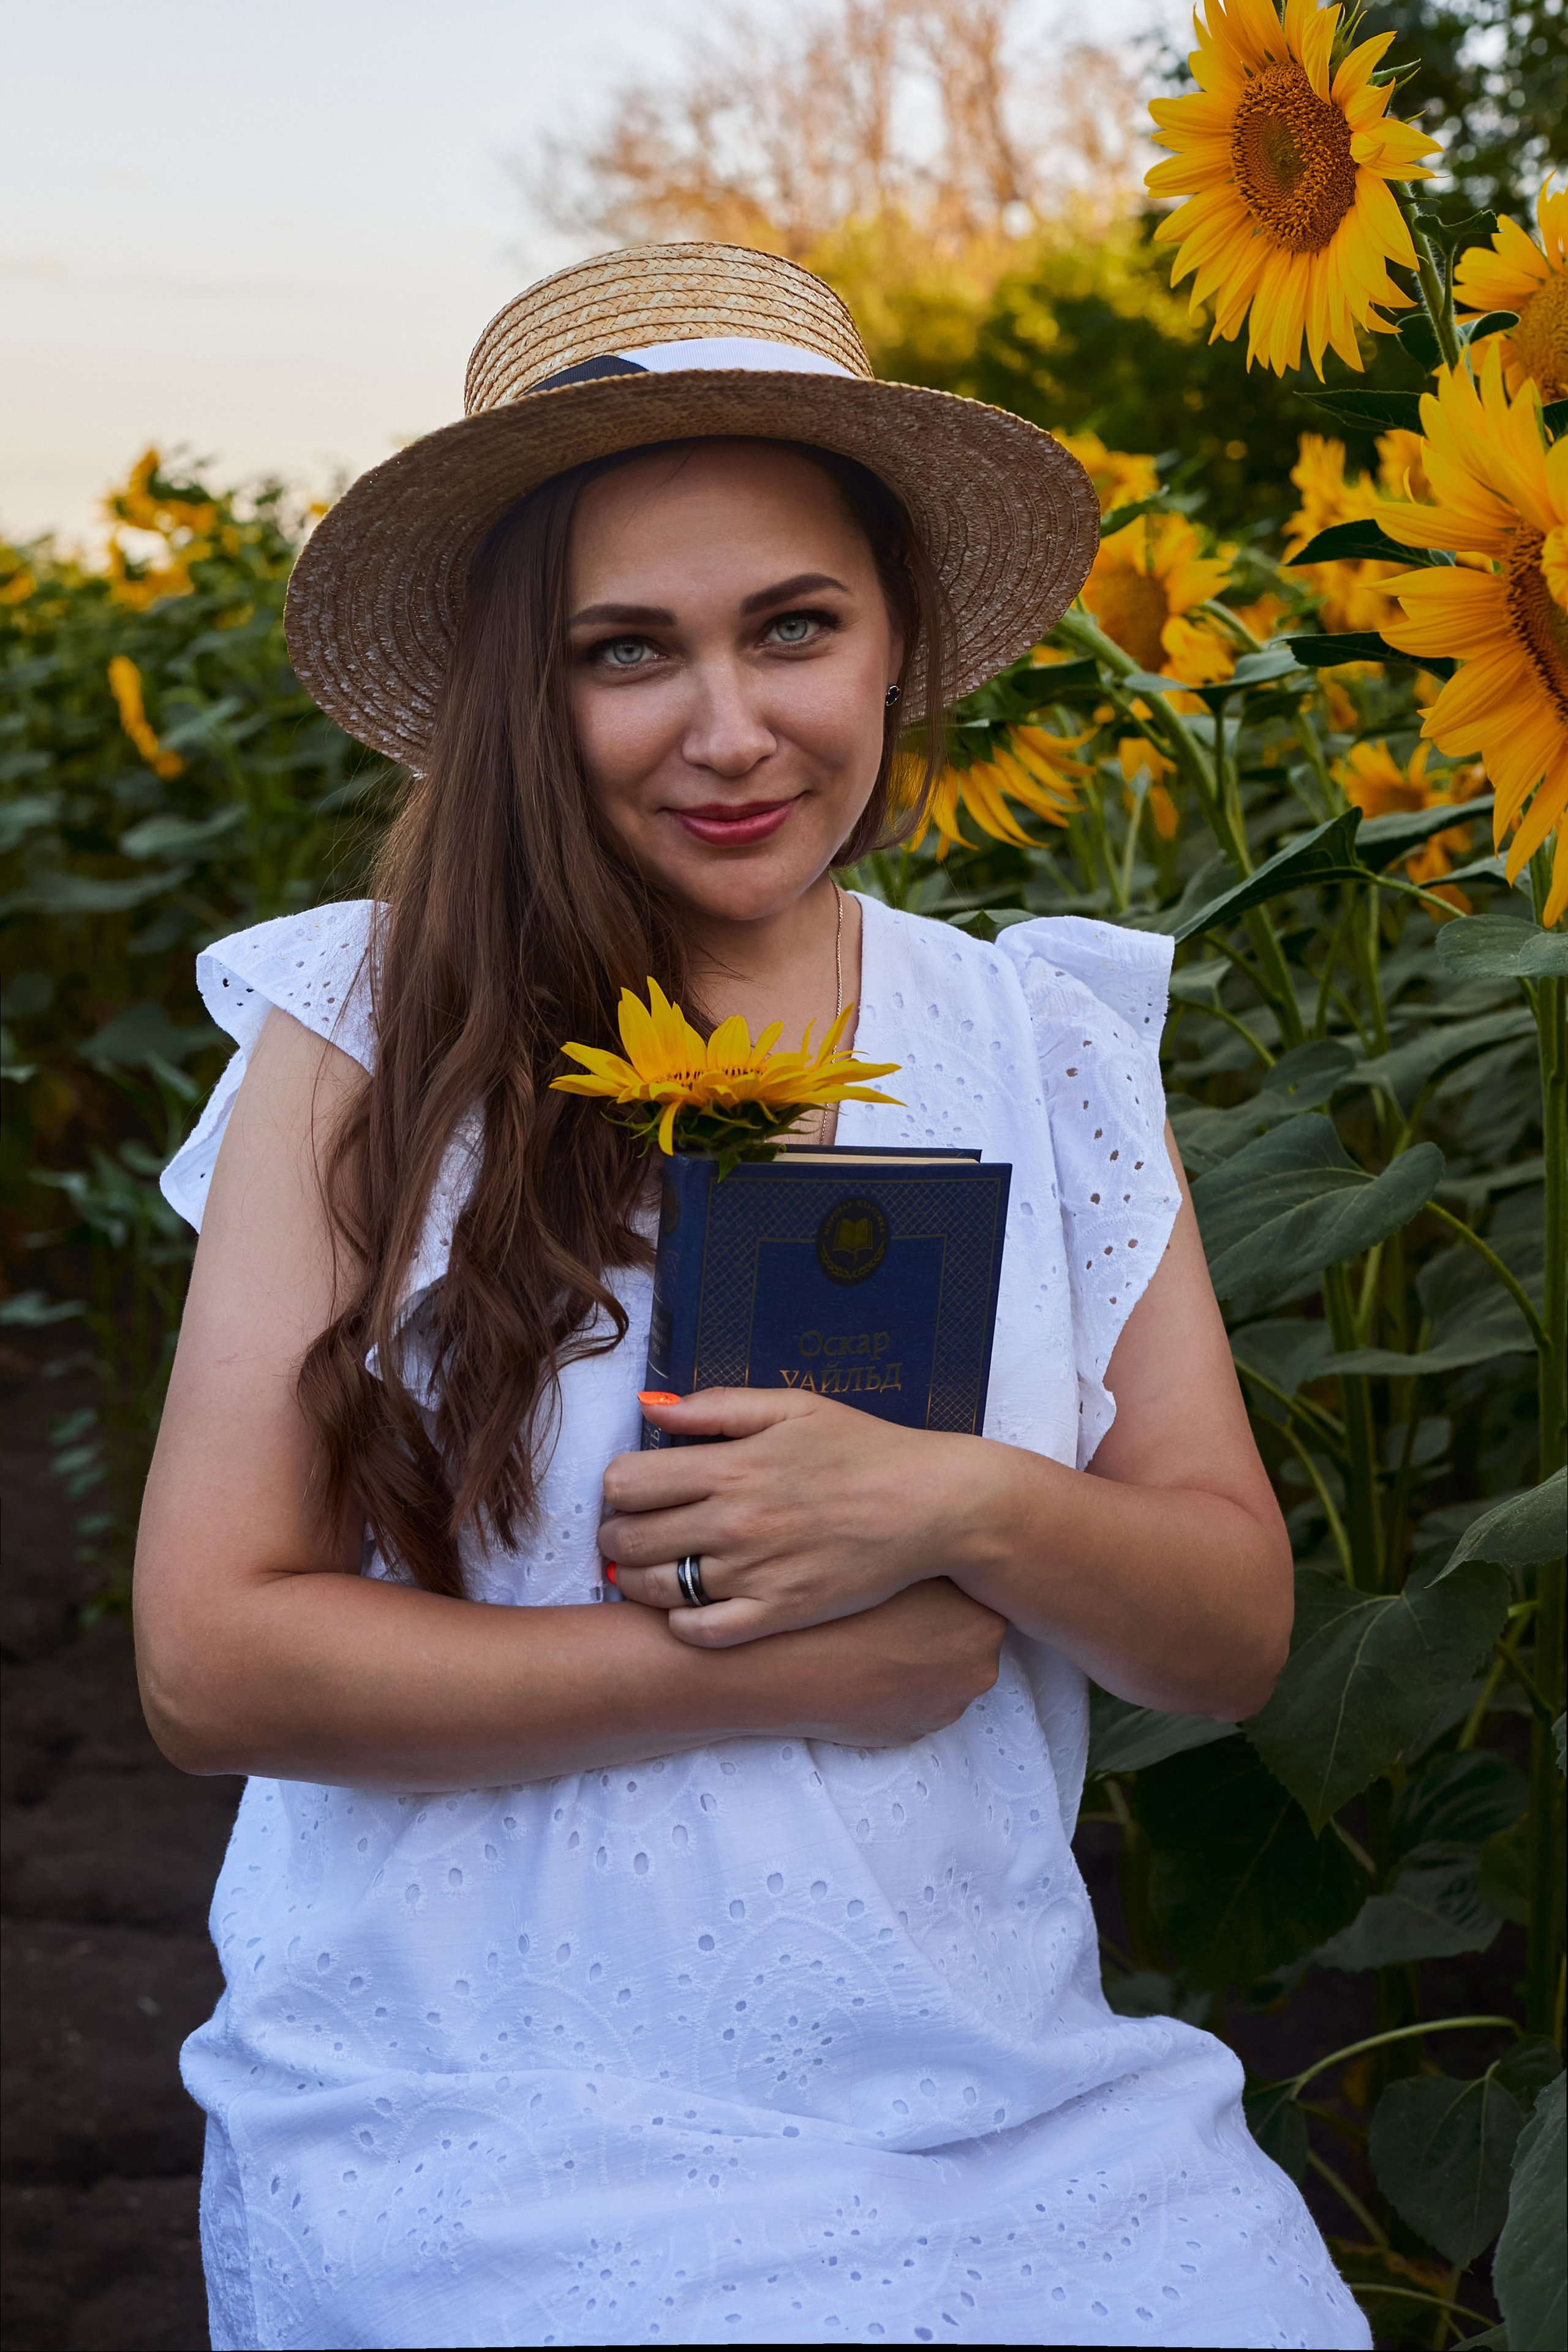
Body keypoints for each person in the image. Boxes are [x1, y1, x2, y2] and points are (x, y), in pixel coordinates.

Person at [135, 242, 1370, 2350]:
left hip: (1009, 2109)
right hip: (485, 2110)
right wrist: (758, 1677)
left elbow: (1232, 1635)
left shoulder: (1038, 1040)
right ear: (532, 686)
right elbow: (209, 1664)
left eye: (795, 627)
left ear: (898, 640)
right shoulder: (366, 1032)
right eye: (630, 651)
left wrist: (961, 1505)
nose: (732, 731)